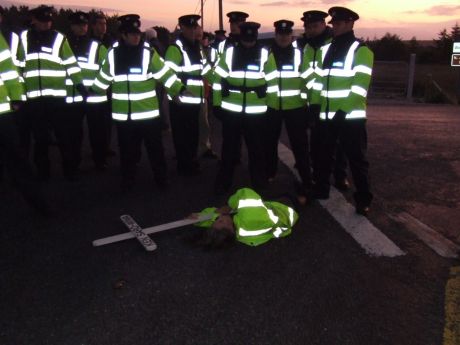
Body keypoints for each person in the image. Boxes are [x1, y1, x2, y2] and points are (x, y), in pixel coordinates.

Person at [91, 14, 188, 192]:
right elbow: (103, 78)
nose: (136, 37)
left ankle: (161, 179)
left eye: (138, 33)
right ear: (123, 35)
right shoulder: (113, 55)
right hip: (124, 116)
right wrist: (93, 91)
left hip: (148, 115)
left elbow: (165, 74)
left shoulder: (148, 53)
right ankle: (128, 181)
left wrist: (179, 89)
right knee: (127, 153)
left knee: (155, 150)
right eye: (132, 34)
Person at [310, 7, 374, 216]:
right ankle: (321, 189)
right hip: (326, 116)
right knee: (323, 156)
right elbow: (319, 82)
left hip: (350, 118)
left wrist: (342, 111)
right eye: (333, 23)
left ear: (350, 24)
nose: (334, 26)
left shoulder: (361, 50)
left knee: (357, 160)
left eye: (338, 23)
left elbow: (359, 88)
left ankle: (363, 200)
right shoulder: (325, 49)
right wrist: (315, 105)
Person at [16, 5, 85, 181]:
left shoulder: (59, 38)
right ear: (35, 21)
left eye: (49, 21)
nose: (46, 24)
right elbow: (17, 67)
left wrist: (80, 86)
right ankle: (43, 171)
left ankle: (69, 170)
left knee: (63, 135)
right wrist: (18, 94)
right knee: (40, 138)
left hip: (56, 97)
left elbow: (71, 63)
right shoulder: (23, 38)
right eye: (43, 21)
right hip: (34, 98)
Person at [212, 21, 269, 194]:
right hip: (232, 110)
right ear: (241, 36)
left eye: (251, 38)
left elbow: (273, 82)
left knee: (256, 149)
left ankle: (258, 181)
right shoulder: (229, 53)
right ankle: (224, 181)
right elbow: (217, 80)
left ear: (256, 37)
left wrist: (270, 106)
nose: (248, 41)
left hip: (256, 112)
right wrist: (216, 104)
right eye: (246, 37)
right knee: (228, 149)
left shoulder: (265, 53)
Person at [0, 31, 51, 215]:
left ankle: (38, 204)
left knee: (17, 159)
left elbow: (8, 70)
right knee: (16, 159)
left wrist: (16, 97)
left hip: (2, 112)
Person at [300, 10, 349, 190]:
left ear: (323, 24)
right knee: (318, 143)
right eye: (308, 27)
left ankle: (340, 176)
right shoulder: (306, 47)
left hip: (333, 100)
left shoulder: (333, 43)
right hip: (315, 102)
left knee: (339, 143)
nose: (311, 30)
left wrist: (318, 88)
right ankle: (319, 176)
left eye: (315, 26)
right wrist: (312, 96)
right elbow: (305, 72)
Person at [264, 19, 311, 196]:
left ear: (291, 36)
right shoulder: (266, 54)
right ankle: (269, 172)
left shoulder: (300, 54)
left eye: (286, 34)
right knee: (269, 142)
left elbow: (308, 81)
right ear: (275, 35)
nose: (283, 37)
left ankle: (306, 177)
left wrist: (307, 104)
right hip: (272, 107)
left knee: (300, 144)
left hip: (295, 107)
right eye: (280, 34)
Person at [165, 14, 210, 176]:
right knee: (181, 136)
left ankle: (191, 161)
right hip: (180, 101)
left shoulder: (198, 47)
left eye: (194, 27)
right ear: (182, 28)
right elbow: (167, 75)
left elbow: (205, 71)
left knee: (193, 134)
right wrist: (176, 94)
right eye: (189, 27)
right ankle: (184, 166)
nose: (192, 30)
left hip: (195, 99)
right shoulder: (175, 48)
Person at [66, 11, 109, 171]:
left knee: (98, 132)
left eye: (84, 25)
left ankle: (100, 161)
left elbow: (107, 69)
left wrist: (96, 87)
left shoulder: (97, 46)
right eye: (79, 25)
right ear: (72, 27)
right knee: (74, 134)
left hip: (94, 96)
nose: (82, 28)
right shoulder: (65, 44)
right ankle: (73, 163)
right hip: (73, 96)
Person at [192, 187, 298, 248]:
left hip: (275, 222)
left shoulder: (237, 233)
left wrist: (199, 219)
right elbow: (246, 193)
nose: (219, 218)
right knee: (292, 197)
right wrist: (230, 205)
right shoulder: (248, 218)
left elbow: (214, 219)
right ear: (229, 229)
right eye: (220, 221)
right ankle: (304, 198)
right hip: (286, 211)